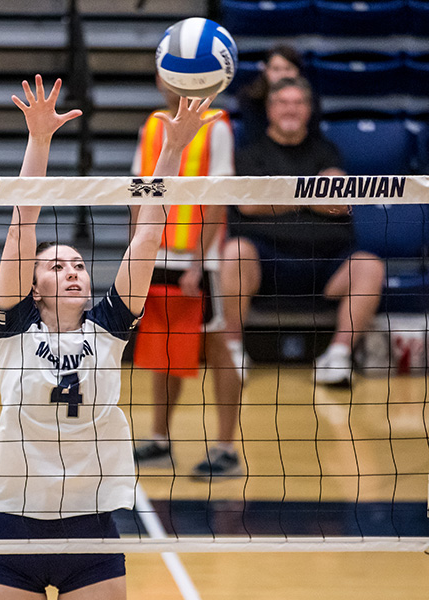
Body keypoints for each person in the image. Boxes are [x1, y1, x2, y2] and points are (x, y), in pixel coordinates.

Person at [0, 74, 221, 600]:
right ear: (34, 287)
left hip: (91, 531)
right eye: (56, 266)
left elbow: (150, 231)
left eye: (80, 265)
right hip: (13, 526)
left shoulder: (109, 328)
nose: (71, 271)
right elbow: (23, 223)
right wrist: (39, 141)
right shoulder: (15, 329)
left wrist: (174, 149)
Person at [224, 76, 385, 387]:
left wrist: (282, 198)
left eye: (298, 103)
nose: (291, 109)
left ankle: (337, 356)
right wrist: (313, 197)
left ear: (309, 111)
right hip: (267, 265)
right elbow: (251, 205)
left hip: (326, 265)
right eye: (283, 102)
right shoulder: (250, 155)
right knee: (235, 252)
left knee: (370, 266)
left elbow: (338, 200)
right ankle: (232, 349)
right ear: (270, 109)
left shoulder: (327, 151)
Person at [130, 77, 243, 479]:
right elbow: (139, 193)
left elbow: (217, 195)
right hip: (156, 254)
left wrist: (199, 262)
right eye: (162, 73)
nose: (167, 82)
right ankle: (159, 440)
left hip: (197, 260)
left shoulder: (217, 126)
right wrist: (134, 258)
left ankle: (227, 448)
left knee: (216, 346)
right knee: (162, 347)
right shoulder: (152, 125)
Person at [236, 44, 320, 146]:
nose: (282, 75)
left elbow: (313, 137)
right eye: (276, 69)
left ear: (298, 71)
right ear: (266, 70)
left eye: (288, 69)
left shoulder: (310, 97)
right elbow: (253, 137)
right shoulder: (250, 97)